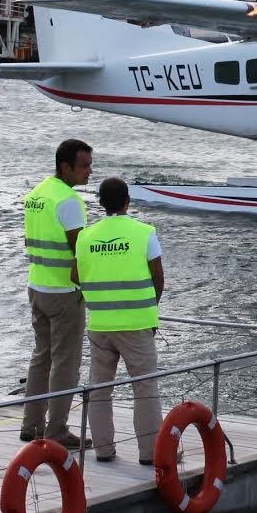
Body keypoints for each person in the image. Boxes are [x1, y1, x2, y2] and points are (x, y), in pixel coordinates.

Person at [76, 177, 165, 465]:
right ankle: (150, 453)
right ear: (128, 200)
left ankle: (103, 449)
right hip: (137, 323)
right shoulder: (144, 233)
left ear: (100, 203)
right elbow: (158, 278)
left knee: (100, 389)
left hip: (100, 323)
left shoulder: (85, 237)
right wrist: (149, 307)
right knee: (145, 388)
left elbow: (75, 277)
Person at [20, 138, 93, 447]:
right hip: (64, 291)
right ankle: (58, 430)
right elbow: (82, 252)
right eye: (85, 166)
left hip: (37, 285)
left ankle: (31, 424)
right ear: (66, 167)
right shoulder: (69, 202)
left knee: (42, 357)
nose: (90, 172)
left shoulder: (37, 194)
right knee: (66, 362)